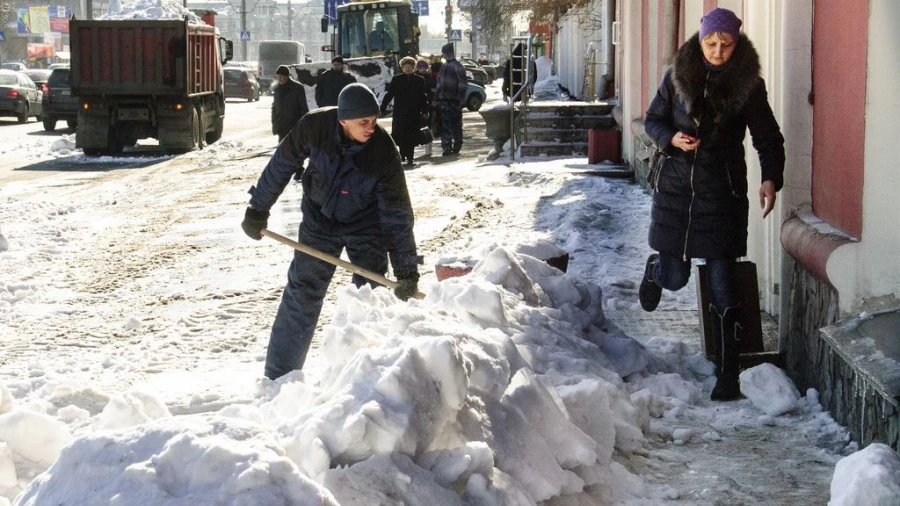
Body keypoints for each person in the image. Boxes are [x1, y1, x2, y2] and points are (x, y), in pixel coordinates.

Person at [638, 8, 785, 401]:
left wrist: (771, 177)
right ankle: (656, 270)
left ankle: (728, 374)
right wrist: (671, 138)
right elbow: (652, 120)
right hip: (676, 192)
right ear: (700, 40)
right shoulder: (677, 76)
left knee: (723, 285)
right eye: (711, 43)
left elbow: (767, 135)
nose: (718, 51)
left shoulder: (747, 85)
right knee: (676, 277)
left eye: (726, 44)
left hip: (722, 192)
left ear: (736, 44)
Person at [241, 83, 421, 381]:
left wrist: (406, 271)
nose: (370, 128)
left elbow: (397, 215)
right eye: (363, 122)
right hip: (319, 219)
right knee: (303, 292)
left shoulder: (383, 152)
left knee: (370, 298)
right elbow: (282, 164)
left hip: (366, 224)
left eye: (374, 121)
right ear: (343, 120)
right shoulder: (314, 127)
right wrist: (258, 209)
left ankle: (368, 378)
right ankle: (279, 378)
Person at [380, 56, 427, 167]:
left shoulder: (419, 80)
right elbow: (390, 94)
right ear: (402, 68)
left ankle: (410, 158)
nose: (407, 69)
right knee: (399, 134)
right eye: (405, 67)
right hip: (400, 112)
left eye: (409, 67)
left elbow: (422, 97)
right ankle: (402, 156)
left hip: (413, 113)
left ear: (413, 67)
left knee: (411, 135)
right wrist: (383, 107)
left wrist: (425, 110)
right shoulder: (397, 79)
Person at [432, 43, 467, 157]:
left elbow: (461, 84)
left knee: (450, 125)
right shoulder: (454, 66)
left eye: (443, 52)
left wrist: (437, 98)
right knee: (451, 124)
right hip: (449, 100)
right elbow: (461, 84)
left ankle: (450, 146)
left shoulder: (450, 67)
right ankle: (453, 146)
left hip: (450, 100)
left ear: (445, 53)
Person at [271, 65, 309, 142]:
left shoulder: (297, 88)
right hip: (281, 126)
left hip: (294, 125)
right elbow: (274, 107)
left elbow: (303, 107)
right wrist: (274, 121)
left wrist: (302, 124)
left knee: (294, 148)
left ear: (287, 76)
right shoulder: (277, 89)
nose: (280, 79)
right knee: (282, 149)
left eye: (282, 77)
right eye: (278, 77)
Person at [415, 58, 437, 157]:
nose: (422, 69)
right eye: (420, 67)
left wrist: (433, 101)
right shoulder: (415, 78)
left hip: (429, 105)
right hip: (417, 106)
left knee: (428, 126)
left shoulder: (430, 78)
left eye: (424, 67)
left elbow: (433, 90)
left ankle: (428, 148)